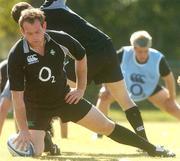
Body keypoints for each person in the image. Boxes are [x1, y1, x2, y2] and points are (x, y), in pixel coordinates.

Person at [7, 8, 175, 157]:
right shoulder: (16, 55)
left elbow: (81, 57)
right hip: (37, 107)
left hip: (65, 99)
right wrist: (22, 130)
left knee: (106, 126)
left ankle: (153, 149)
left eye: (37, 32)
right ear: (22, 31)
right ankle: (42, 143)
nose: (34, 37)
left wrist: (80, 89)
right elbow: (17, 97)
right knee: (34, 152)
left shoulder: (61, 39)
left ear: (44, 26)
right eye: (29, 33)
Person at [11, 1, 148, 140]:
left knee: (51, 91)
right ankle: (144, 140)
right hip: (105, 46)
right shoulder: (41, 24)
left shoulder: (48, 7)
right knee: (124, 99)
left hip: (88, 53)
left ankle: (45, 136)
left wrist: (80, 89)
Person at [96, 31, 180, 137]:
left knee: (172, 106)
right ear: (133, 48)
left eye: (146, 51)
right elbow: (108, 68)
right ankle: (98, 133)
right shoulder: (124, 53)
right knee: (104, 96)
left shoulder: (157, 58)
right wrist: (105, 87)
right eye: (140, 51)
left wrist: (171, 98)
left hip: (150, 87)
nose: (143, 55)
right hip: (124, 87)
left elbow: (169, 78)